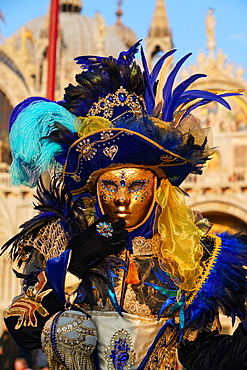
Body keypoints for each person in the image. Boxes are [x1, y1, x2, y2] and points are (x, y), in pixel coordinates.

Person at [1, 41, 247, 370]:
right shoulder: (58, 239)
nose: (121, 197)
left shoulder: (189, 254)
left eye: (135, 185)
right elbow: (22, 330)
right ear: (94, 187)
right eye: (111, 184)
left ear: (158, 186)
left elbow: (195, 351)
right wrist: (76, 260)